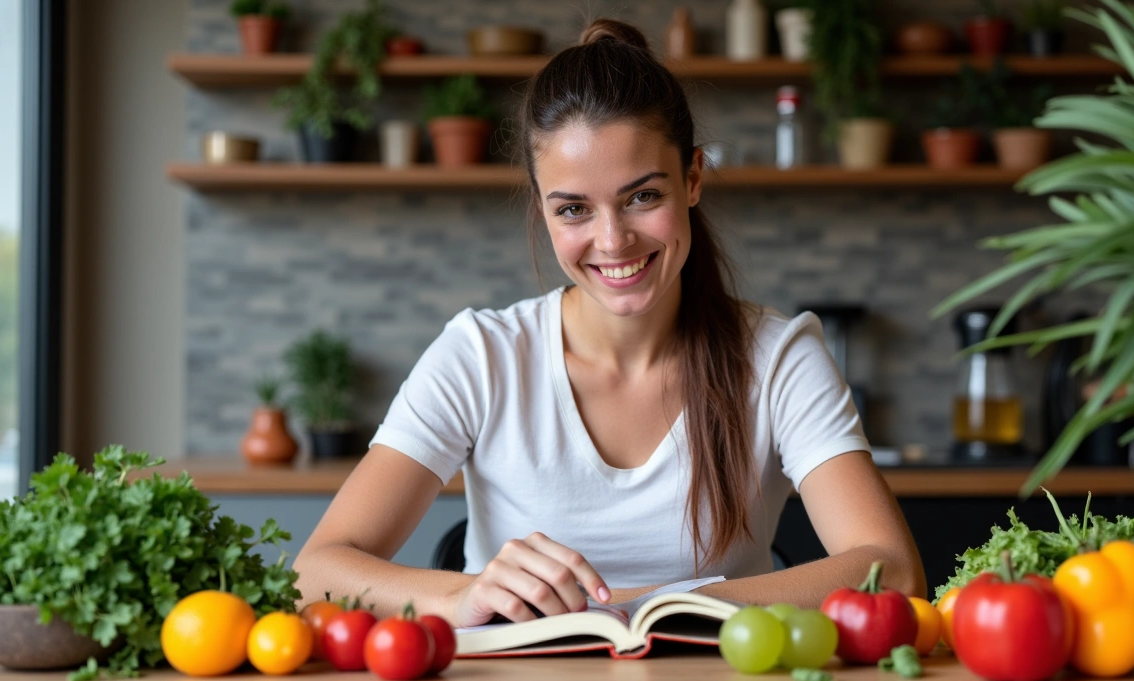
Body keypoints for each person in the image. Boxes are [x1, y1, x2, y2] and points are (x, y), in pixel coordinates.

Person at [293, 18, 925, 628]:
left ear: (693, 178)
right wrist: (466, 595)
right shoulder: (481, 356)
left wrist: (642, 604)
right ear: (542, 208)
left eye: (643, 196)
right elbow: (316, 571)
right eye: (573, 209)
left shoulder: (779, 356)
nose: (613, 240)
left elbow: (891, 571)